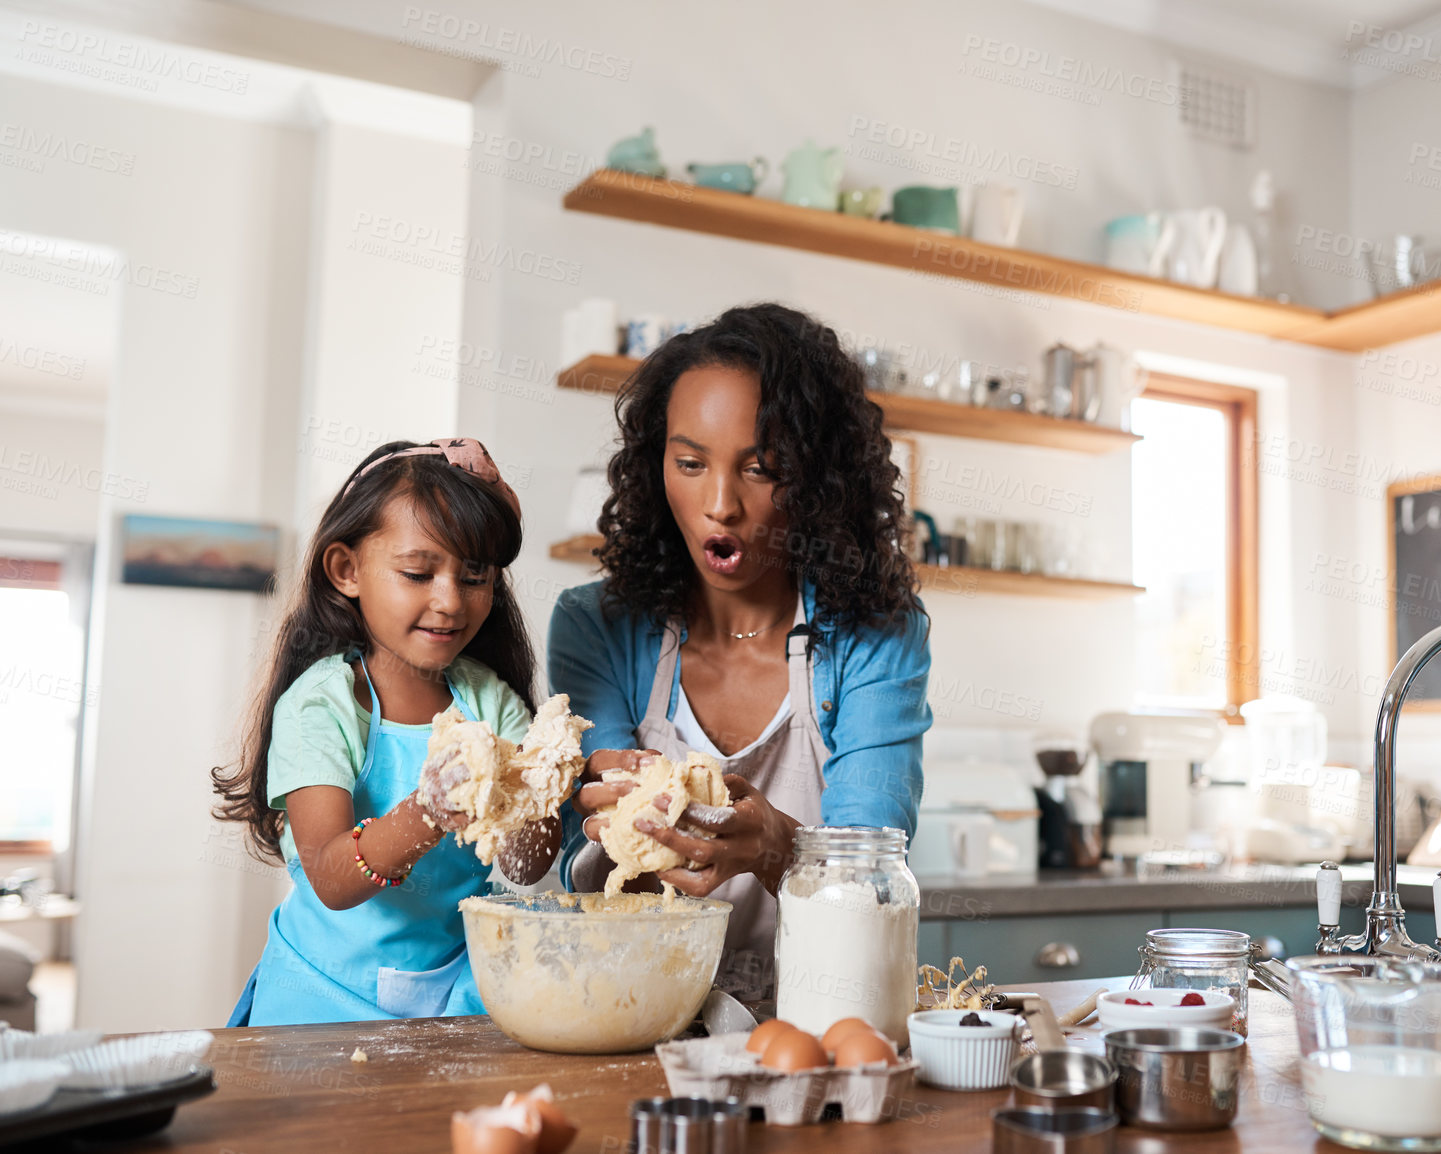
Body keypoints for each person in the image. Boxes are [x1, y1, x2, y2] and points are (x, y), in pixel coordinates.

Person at [547, 303, 933, 999]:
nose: (719, 503)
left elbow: (872, 873)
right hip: (634, 1004)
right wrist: (612, 789)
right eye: (689, 463)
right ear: (653, 463)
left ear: (819, 482)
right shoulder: (596, 625)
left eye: (761, 470)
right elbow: (596, 809)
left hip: (823, 1009)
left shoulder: (878, 636)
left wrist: (778, 846)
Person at [214, 438, 554, 1025]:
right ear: (347, 570)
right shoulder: (322, 707)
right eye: (418, 573)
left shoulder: (488, 701)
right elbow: (332, 878)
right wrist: (431, 809)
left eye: (474, 576)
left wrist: (554, 785)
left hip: (453, 990)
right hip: (319, 996)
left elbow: (527, 865)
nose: (449, 601)